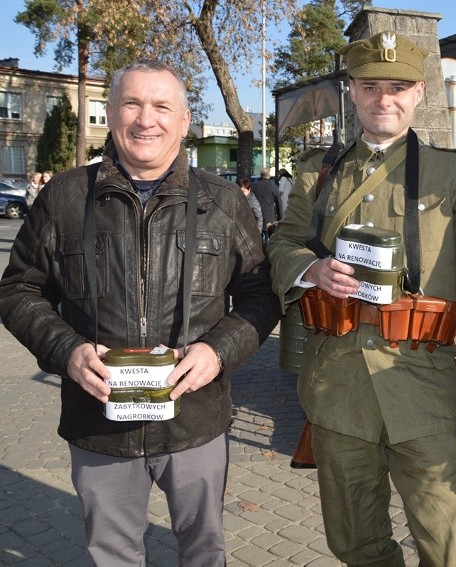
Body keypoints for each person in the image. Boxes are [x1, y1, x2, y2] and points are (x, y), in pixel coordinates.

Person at [0, 60, 280, 566]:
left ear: (185, 120)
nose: (145, 119)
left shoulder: (221, 202)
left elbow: (262, 296)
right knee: (112, 554)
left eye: (161, 106)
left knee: (203, 550)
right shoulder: (64, 198)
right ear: (110, 114)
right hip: (99, 422)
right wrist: (67, 351)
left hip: (195, 420)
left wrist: (218, 352)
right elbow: (18, 290)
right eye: (131, 103)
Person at [267, 31, 456, 566]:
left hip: (424, 387)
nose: (385, 99)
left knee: (446, 547)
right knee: (355, 542)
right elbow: (282, 244)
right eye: (371, 85)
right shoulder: (318, 172)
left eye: (398, 86)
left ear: (419, 93)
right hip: (337, 389)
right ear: (352, 91)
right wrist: (311, 269)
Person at [251, 167, 283, 242]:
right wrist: (280, 219)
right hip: (270, 218)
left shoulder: (254, 186)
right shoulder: (273, 187)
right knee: (271, 239)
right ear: (269, 175)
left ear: (260, 175)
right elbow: (279, 204)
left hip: (256, 217)